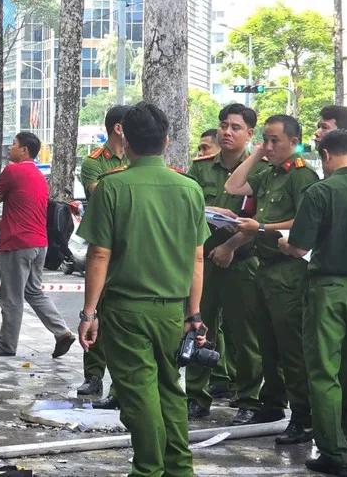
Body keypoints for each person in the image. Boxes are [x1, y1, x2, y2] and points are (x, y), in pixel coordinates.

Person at [76, 102, 209, 477]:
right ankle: (179, 468)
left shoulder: (112, 186)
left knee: (138, 394)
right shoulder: (189, 189)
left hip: (126, 311)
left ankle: (148, 469)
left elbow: (99, 254)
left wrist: (89, 313)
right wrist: (194, 314)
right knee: (170, 389)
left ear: (126, 142)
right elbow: (197, 258)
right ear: (166, 142)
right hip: (171, 312)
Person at [278, 130, 347, 476]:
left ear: (327, 156)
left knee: (324, 372)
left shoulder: (320, 191)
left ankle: (334, 452)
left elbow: (299, 247)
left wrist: (283, 245)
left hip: (328, 289)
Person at [224, 114, 320, 444]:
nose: (269, 146)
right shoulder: (268, 173)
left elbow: (304, 221)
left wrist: (262, 228)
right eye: (265, 139)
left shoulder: (301, 175)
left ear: (294, 142)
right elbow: (233, 186)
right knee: (266, 341)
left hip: (288, 270)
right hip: (264, 268)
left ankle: (303, 416)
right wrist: (256, 153)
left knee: (290, 345)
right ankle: (273, 403)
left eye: (274, 140)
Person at [185, 104, 268, 424]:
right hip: (204, 261)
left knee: (245, 335)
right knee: (199, 328)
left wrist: (231, 246)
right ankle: (196, 395)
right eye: (223, 125)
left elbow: (265, 219)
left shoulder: (261, 171)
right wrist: (214, 210)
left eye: (235, 127)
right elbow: (187, 204)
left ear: (250, 134)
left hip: (243, 262)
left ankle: (248, 399)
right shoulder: (201, 168)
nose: (226, 132)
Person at [0, 132, 76, 358]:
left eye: (13, 144)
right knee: (33, 291)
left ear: (24, 150)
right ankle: (62, 331)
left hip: (17, 243)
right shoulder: (40, 177)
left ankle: (6, 345)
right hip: (38, 243)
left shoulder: (13, 171)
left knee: (11, 296)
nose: (9, 148)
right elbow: (22, 215)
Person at [76, 104, 131, 400]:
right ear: (119, 128)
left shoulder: (137, 156)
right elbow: (101, 194)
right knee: (95, 306)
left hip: (130, 243)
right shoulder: (94, 161)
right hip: (103, 242)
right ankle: (94, 375)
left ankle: (120, 384)